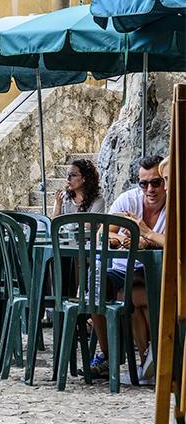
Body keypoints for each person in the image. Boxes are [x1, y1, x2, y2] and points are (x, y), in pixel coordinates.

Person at [88, 154, 167, 382]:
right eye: (143, 183)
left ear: (165, 182)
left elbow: (175, 242)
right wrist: (118, 239)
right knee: (96, 286)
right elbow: (103, 232)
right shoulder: (128, 200)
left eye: (156, 182)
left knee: (131, 296)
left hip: (156, 272)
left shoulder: (174, 203)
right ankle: (109, 354)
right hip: (123, 270)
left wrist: (145, 233)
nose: (149, 189)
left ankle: (148, 360)